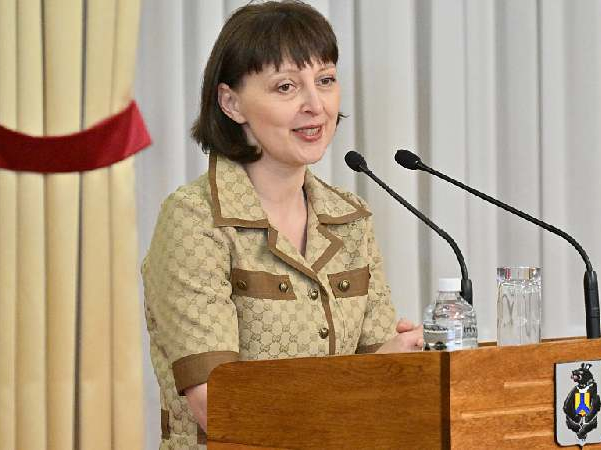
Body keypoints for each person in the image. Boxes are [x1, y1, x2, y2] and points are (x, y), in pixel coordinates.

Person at [142, 1, 423, 448]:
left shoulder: (349, 217)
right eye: (286, 86)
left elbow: (382, 381)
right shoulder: (195, 219)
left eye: (325, 80)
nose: (315, 105)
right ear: (231, 102)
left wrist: (405, 363)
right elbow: (219, 404)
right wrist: (364, 378)